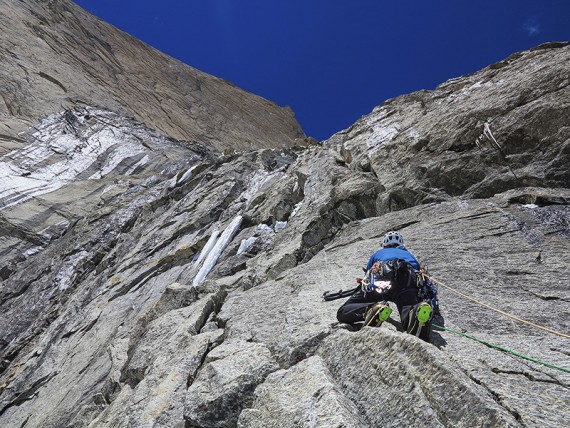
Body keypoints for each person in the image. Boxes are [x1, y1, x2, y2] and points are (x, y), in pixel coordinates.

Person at [336, 231, 433, 342]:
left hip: (381, 279)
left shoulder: (379, 253)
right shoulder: (410, 256)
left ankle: (371, 309)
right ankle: (415, 312)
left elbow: (367, 276)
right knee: (408, 309)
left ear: (385, 245)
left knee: (342, 312)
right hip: (407, 282)